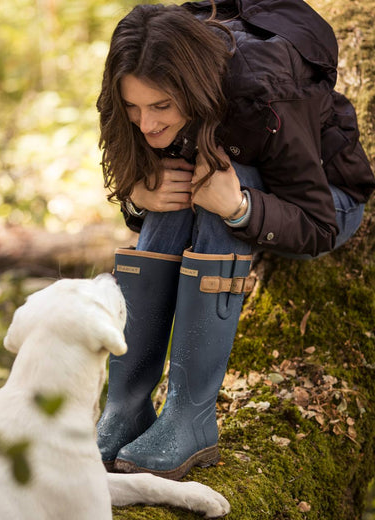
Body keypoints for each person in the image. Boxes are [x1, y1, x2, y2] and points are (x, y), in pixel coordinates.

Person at [96, 0, 375, 480]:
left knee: (224, 171)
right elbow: (135, 180)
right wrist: (141, 194)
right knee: (178, 179)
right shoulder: (133, 78)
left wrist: (240, 206)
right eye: (133, 108)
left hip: (326, 201)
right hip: (233, 194)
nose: (147, 124)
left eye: (161, 106)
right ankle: (126, 407)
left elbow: (321, 223)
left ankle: (191, 418)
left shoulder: (262, 91)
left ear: (193, 86)